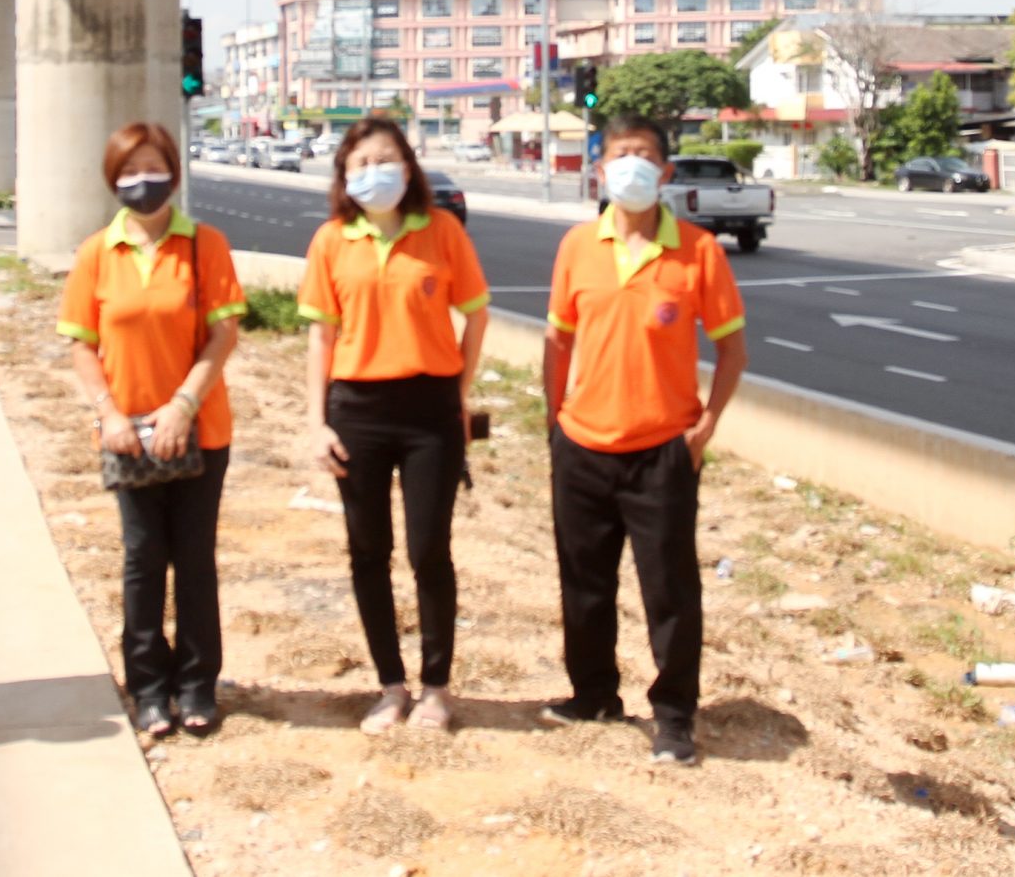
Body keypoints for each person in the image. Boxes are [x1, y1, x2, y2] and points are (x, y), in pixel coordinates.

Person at [541, 113, 748, 766]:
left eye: (644, 154)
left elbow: (732, 347)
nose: (630, 164)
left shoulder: (698, 249)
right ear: (598, 169)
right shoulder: (577, 245)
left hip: (663, 449)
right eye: (618, 153)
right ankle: (593, 693)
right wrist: (555, 419)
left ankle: (674, 716)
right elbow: (557, 340)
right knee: (584, 582)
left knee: (670, 590)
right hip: (582, 444)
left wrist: (705, 425)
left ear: (664, 171)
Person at [300, 116, 490, 734]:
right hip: (356, 410)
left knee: (428, 549)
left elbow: (476, 313)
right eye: (359, 163)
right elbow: (320, 337)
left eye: (385, 159)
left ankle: (436, 687)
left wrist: (457, 393)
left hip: (431, 409)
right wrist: (315, 420)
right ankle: (390, 685)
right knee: (367, 551)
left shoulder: (441, 232)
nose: (372, 171)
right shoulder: (332, 240)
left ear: (408, 168)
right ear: (343, 175)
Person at [59, 121, 245, 738]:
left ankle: (197, 685)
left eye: (153, 167)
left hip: (199, 429)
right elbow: (82, 344)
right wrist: (109, 413)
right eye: (128, 170)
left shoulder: (204, 245)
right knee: (142, 558)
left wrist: (183, 404)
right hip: (126, 433)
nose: (143, 181)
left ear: (174, 170)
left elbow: (223, 334)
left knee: (194, 560)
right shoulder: (95, 254)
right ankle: (146, 687)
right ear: (113, 180)